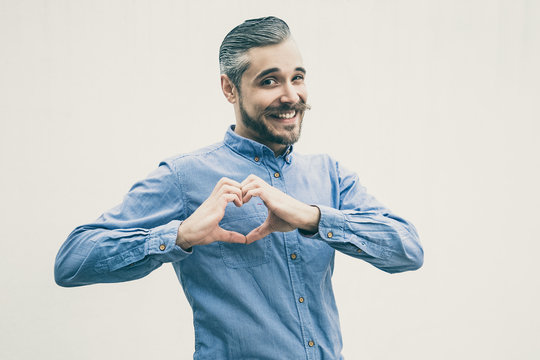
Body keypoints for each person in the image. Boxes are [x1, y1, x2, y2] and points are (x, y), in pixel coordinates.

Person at [55, 16, 423, 359]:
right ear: (229, 89)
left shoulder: (330, 174)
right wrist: (180, 235)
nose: (291, 95)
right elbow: (73, 260)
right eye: (269, 81)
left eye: (297, 77)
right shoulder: (185, 176)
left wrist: (312, 218)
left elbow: (407, 249)